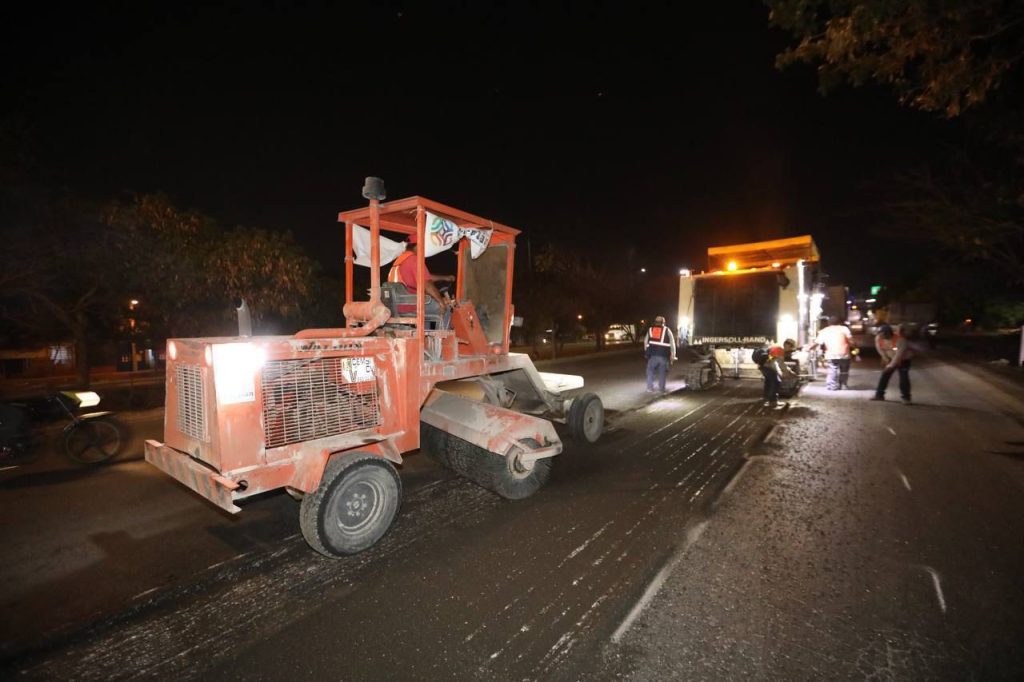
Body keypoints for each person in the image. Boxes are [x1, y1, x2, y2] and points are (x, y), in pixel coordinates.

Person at [387, 234, 455, 327]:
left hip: (397, 305)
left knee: (428, 304)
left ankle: (425, 334)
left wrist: (445, 278)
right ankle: (444, 336)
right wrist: (441, 302)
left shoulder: (400, 260)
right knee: (446, 308)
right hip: (411, 306)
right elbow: (427, 284)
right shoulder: (414, 260)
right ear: (418, 246)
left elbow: (425, 277)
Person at [872, 323, 913, 404]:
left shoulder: (900, 340)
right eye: (880, 334)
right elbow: (880, 349)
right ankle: (879, 395)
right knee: (884, 376)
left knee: (904, 377)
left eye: (883, 334)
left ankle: (906, 398)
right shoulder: (878, 338)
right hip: (890, 358)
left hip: (904, 359)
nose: (881, 336)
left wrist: (890, 366)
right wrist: (885, 359)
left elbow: (898, 355)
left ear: (888, 334)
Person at [810, 316, 853, 390]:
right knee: (844, 370)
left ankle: (832, 385)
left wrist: (809, 348)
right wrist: (854, 346)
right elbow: (851, 340)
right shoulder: (844, 329)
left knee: (832, 369)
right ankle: (843, 385)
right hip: (844, 353)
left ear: (829, 323)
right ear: (840, 322)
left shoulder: (825, 330)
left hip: (831, 354)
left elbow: (817, 342)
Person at [644, 315, 677, 393]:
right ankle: (661, 389)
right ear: (663, 322)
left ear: (655, 322)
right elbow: (672, 343)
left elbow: (645, 342)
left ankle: (649, 388)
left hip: (653, 356)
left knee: (650, 371)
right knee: (662, 373)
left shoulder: (650, 330)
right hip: (663, 356)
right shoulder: (667, 330)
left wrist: (647, 352)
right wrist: (673, 355)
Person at [760, 342, 796, 408]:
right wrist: (780, 373)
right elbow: (774, 363)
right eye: (790, 347)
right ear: (786, 345)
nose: (790, 350)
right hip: (768, 367)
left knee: (768, 382)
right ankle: (773, 401)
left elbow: (781, 363)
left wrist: (789, 371)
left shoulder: (778, 349)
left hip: (763, 366)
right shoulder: (779, 350)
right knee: (776, 382)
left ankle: (766, 398)